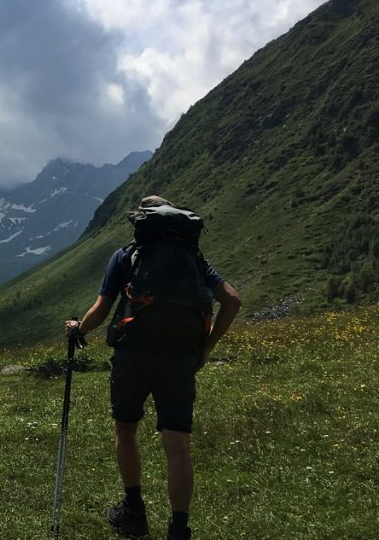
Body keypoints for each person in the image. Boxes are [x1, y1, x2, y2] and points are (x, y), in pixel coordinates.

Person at [64, 195, 241, 540]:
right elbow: (232, 300)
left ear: (141, 222)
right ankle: (178, 529)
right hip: (179, 359)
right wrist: (204, 349)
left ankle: (134, 512)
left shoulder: (127, 256)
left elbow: (102, 308)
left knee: (125, 430)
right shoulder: (194, 259)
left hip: (133, 356)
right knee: (178, 446)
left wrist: (77, 330)